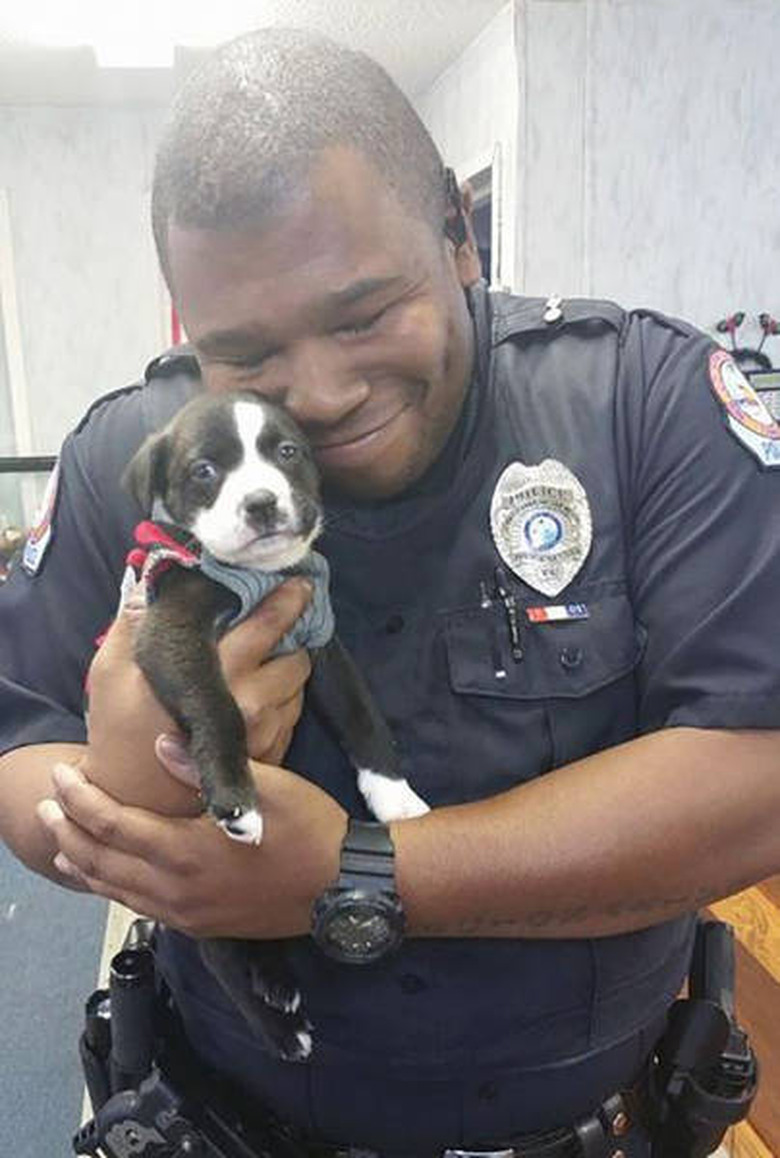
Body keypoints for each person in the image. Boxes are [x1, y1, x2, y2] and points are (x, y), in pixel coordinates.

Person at [1, 27, 779, 1158]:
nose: (316, 394)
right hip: (219, 1117)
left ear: (459, 232)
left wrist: (358, 874)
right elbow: (19, 744)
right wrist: (115, 784)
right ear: (186, 326)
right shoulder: (138, 450)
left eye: (364, 313)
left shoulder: (643, 406)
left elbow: (759, 770)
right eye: (246, 352)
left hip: (596, 1124)